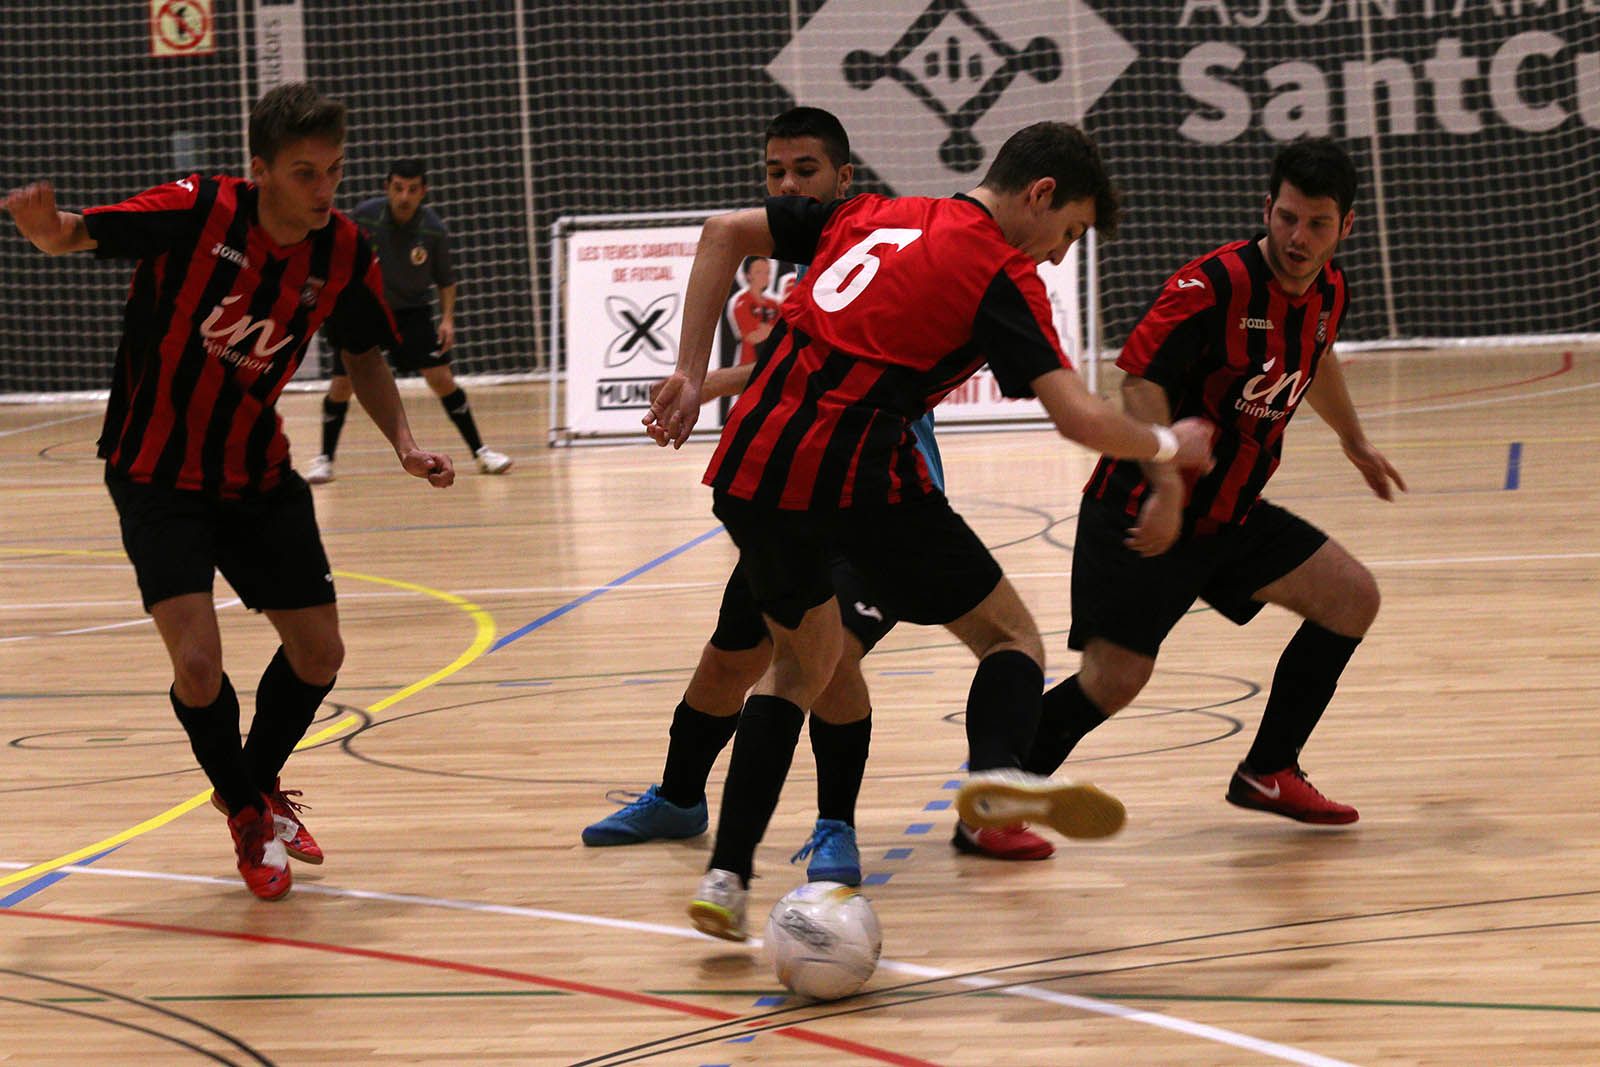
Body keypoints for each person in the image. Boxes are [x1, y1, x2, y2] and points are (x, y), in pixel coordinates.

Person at [646, 121, 1214, 940]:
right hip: (860, 474)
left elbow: (721, 231)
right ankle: (994, 782)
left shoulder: (873, 211)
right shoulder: (1000, 271)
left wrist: (691, 372)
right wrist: (1169, 444)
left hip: (751, 469)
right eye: (1068, 233)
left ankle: (727, 879)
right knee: (1012, 636)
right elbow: (1079, 418)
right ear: (1041, 195)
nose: (1058, 254)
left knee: (799, 667)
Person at [1, 83, 456, 901]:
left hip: (257, 470)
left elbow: (362, 355)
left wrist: (405, 441)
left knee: (321, 653)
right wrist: (47, 233)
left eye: (333, 171)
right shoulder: (198, 208)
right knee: (200, 665)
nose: (323, 190)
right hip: (154, 471)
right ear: (260, 172)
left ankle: (252, 782)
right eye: (304, 172)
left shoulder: (344, 249)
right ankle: (249, 813)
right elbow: (80, 233)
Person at [582, 108, 1051, 884]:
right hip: (791, 490)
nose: (788, 186)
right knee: (728, 660)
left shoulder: (902, 250)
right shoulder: (824, 279)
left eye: (805, 171)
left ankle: (831, 831)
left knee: (824, 667)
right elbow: (772, 370)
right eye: (774, 174)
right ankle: (679, 799)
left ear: (844, 180)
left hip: (880, 506)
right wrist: (696, 385)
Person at [1021, 137, 1405, 825]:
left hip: (1230, 515)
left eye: (1317, 223)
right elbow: (1137, 382)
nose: (1297, 236)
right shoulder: (1212, 286)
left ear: (1347, 226)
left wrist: (1355, 440)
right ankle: (998, 787)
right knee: (1114, 681)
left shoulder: (1329, 289)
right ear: (1267, 207)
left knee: (1352, 597)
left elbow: (1316, 356)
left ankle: (1269, 770)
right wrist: (1167, 488)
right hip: (1142, 511)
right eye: (1286, 217)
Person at [307, 158, 510, 483]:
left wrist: (447, 320)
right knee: (342, 385)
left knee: (442, 379)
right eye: (398, 188)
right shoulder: (365, 217)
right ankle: (324, 459)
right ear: (388, 187)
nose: (404, 196)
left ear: (423, 192)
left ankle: (481, 453)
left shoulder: (433, 229)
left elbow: (446, 281)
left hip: (411, 312)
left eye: (412, 190)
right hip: (366, 308)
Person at [726, 256, 781, 366]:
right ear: (748, 275)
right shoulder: (741, 302)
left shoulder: (774, 304)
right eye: (758, 272)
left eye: (767, 272)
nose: (764, 277)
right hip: (747, 366)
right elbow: (752, 337)